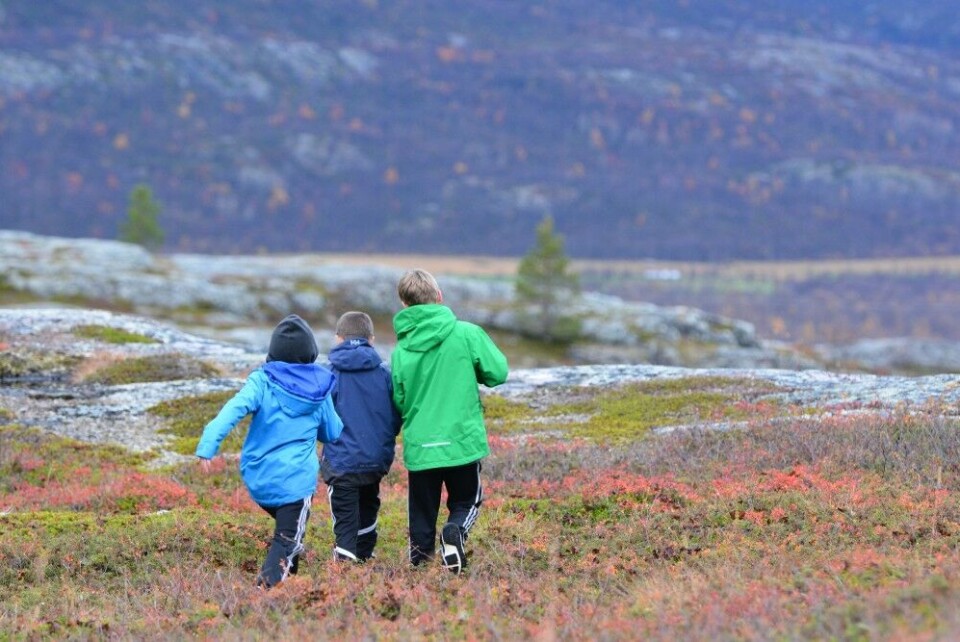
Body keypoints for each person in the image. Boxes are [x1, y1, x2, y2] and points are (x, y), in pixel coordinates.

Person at [196, 314, 342, 588]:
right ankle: (265, 594)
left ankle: (289, 586)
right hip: (295, 483)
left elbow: (233, 409)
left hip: (259, 477)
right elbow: (332, 433)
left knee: (289, 534)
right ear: (310, 352)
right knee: (288, 539)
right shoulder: (319, 389)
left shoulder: (261, 380)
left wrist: (208, 445)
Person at [390, 269, 509, 574]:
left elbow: (400, 400)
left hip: (421, 445)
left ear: (405, 304)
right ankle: (454, 532)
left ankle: (419, 569)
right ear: (439, 297)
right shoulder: (467, 334)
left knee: (421, 511)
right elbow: (498, 373)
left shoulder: (401, 350)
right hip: (461, 441)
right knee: (467, 500)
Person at [321, 311, 402, 563]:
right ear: (372, 339)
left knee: (345, 520)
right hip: (375, 459)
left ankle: (345, 570)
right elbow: (396, 415)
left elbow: (320, 418)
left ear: (338, 338)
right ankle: (365, 559)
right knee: (368, 506)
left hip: (341, 462)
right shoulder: (385, 374)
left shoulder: (328, 375)